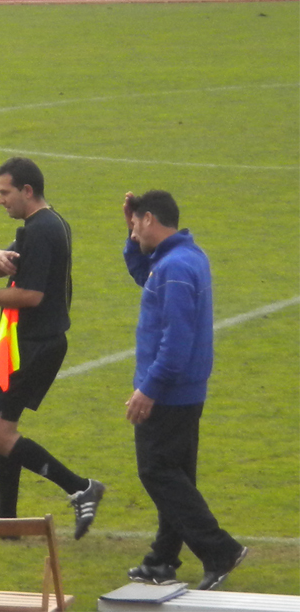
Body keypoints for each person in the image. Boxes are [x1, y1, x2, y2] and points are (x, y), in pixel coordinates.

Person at [122, 190, 246, 591]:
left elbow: (176, 341)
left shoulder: (174, 268)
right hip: (188, 389)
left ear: (150, 218)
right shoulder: (185, 257)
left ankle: (220, 550)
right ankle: (162, 559)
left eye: (136, 224)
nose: (134, 231)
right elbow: (144, 276)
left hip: (169, 391)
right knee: (176, 477)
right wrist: (130, 237)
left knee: (157, 472)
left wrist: (148, 390)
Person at [0, 157, 104, 539]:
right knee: (3, 425)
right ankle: (6, 519)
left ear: (27, 190)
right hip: (29, 343)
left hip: (31, 346)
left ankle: (80, 488)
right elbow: (8, 264)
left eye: (5, 192)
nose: (0, 200)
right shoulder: (46, 224)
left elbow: (31, 295)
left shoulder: (41, 231)